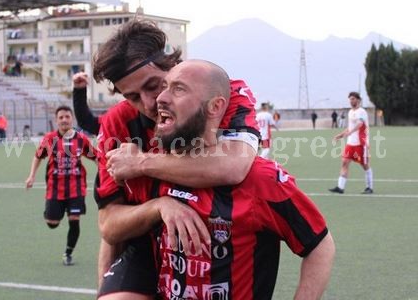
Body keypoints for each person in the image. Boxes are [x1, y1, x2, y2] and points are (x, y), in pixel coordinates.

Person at [104, 60, 335, 299]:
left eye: (178, 89)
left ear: (215, 107)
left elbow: (319, 245)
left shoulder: (261, 180)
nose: (160, 98)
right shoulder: (150, 170)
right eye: (164, 87)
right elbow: (111, 230)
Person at [72, 19, 260, 299]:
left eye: (153, 85)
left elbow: (233, 165)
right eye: (133, 96)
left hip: (223, 241)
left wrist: (141, 163)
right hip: (150, 241)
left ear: (173, 65)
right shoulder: (119, 123)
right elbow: (109, 226)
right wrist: (159, 206)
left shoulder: (223, 94)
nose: (149, 103)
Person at [25, 105, 97, 265]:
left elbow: (96, 157)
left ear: (72, 119)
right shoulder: (50, 139)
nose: (64, 120)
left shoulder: (81, 139)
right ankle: (52, 214)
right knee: (52, 223)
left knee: (74, 219)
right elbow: (38, 157)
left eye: (67, 117)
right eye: (61, 117)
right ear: (56, 121)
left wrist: (108, 172)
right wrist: (31, 176)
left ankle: (68, 253)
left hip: (76, 189)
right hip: (55, 189)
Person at [329, 92, 373, 194]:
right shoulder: (350, 112)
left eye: (353, 99)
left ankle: (369, 187)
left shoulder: (362, 112)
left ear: (358, 100)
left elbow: (360, 124)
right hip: (350, 144)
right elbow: (350, 127)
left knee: (365, 165)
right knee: (344, 162)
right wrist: (341, 134)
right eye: (350, 99)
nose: (351, 101)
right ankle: (340, 187)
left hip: (360, 143)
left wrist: (350, 133)